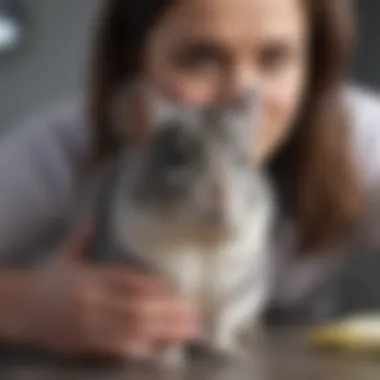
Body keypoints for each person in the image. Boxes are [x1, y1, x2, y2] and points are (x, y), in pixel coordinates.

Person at [0, 0, 379, 360]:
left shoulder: (355, 135)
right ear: (135, 62)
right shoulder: (60, 151)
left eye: (275, 59)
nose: (242, 95)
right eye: (200, 60)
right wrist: (25, 305)